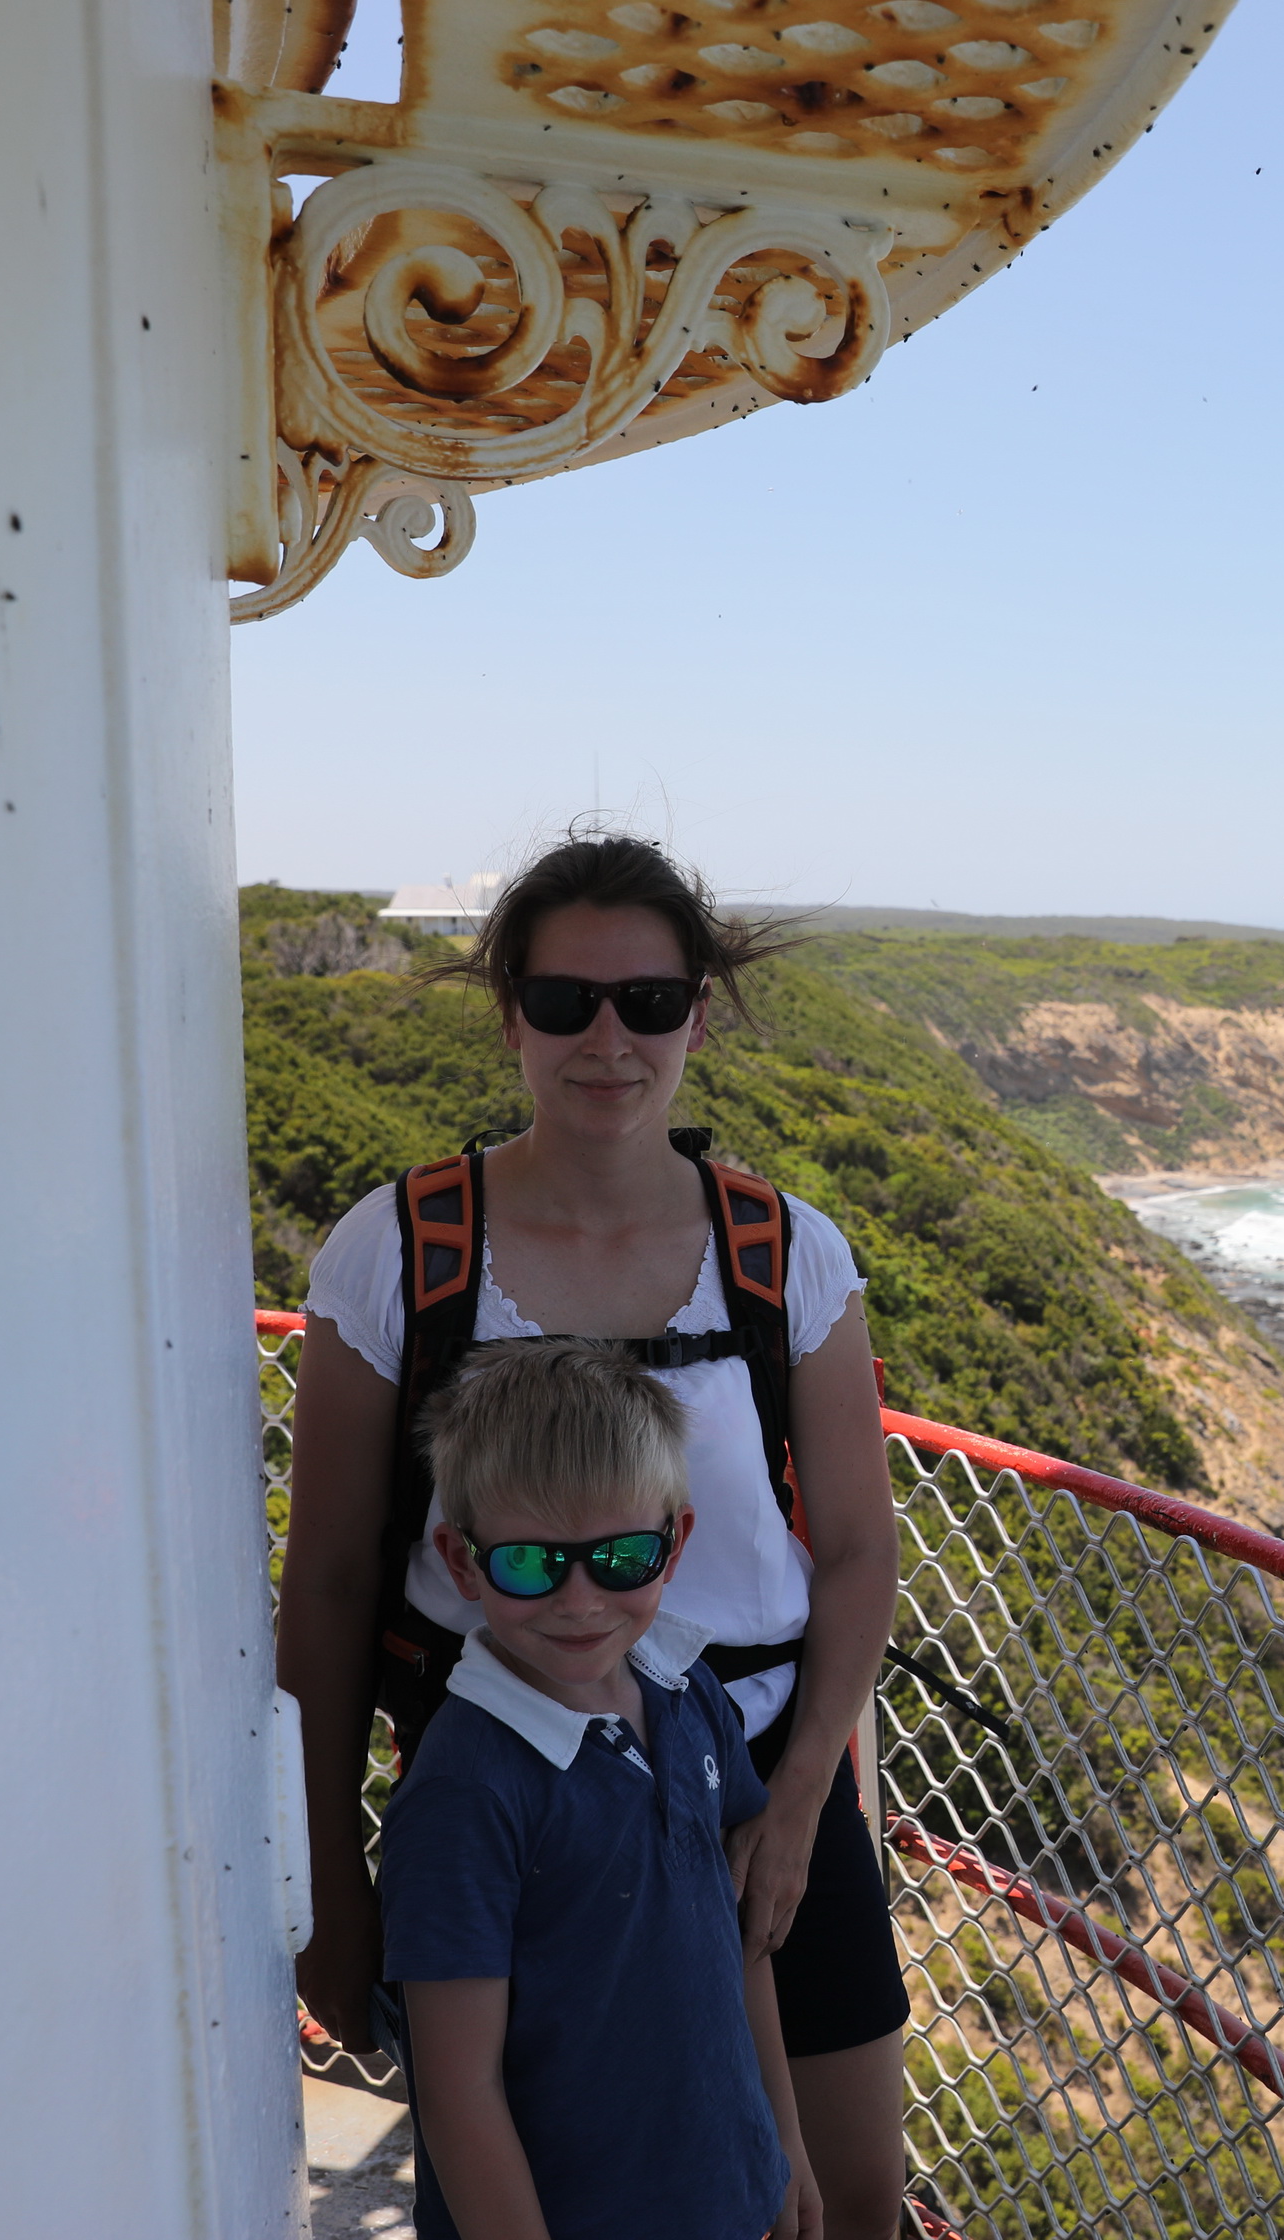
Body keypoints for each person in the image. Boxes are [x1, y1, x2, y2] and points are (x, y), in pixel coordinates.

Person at [278, 832, 906, 2235]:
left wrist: (799, 1800)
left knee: (847, 2198)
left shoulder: (784, 1254)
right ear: (511, 1015)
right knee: (563, 2178)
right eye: (566, 1002)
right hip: (516, 1794)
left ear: (698, 1015)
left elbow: (861, 1550)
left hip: (758, 1774)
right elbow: (326, 1582)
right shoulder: (400, 1253)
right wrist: (324, 1878)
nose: (608, 1041)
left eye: (649, 1002)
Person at [379, 1339, 821, 2240]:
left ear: (675, 1543)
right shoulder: (466, 1793)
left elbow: (742, 1946)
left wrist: (780, 2149)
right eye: (530, 1565)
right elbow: (460, 2089)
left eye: (620, 1559)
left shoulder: (689, 1695)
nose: (580, 1602)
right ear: (462, 1562)